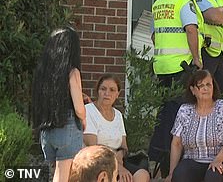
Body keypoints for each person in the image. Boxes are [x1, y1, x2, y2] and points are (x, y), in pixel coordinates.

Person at [32, 27, 86, 182]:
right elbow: (79, 109)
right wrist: (84, 118)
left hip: (47, 130)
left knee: (56, 172)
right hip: (67, 127)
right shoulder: (72, 72)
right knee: (63, 176)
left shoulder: (43, 73)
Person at [165, 70, 223, 182]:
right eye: (201, 85)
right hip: (193, 159)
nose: (205, 88)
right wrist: (171, 173)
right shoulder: (185, 110)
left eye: (208, 85)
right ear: (193, 90)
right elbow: (176, 143)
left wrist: (218, 160)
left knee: (213, 176)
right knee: (179, 176)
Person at [83, 74, 150, 182]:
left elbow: (124, 146)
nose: (107, 93)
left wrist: (121, 154)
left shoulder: (118, 115)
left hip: (118, 161)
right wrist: (117, 165)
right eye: (103, 89)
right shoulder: (88, 111)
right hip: (97, 162)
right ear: (98, 91)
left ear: (118, 94)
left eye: (112, 90)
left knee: (142, 175)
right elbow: (93, 148)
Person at [151, 0, 204, 87]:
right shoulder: (185, 1)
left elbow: (154, 36)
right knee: (180, 104)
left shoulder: (159, 2)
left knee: (165, 104)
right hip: (181, 66)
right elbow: (191, 30)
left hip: (161, 66)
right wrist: (196, 58)